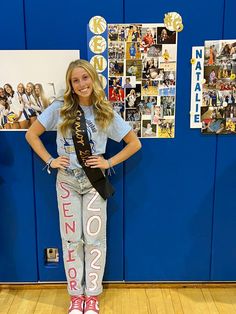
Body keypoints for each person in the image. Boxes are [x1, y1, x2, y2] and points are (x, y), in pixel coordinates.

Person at [25, 59, 141, 314]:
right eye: (75, 80)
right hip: (66, 180)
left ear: (93, 79)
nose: (81, 84)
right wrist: (50, 160)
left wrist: (108, 161)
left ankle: (92, 297)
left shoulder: (104, 112)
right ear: (70, 84)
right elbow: (31, 134)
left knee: (94, 240)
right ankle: (75, 296)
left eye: (85, 78)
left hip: (93, 183)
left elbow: (134, 143)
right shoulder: (60, 108)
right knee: (71, 240)